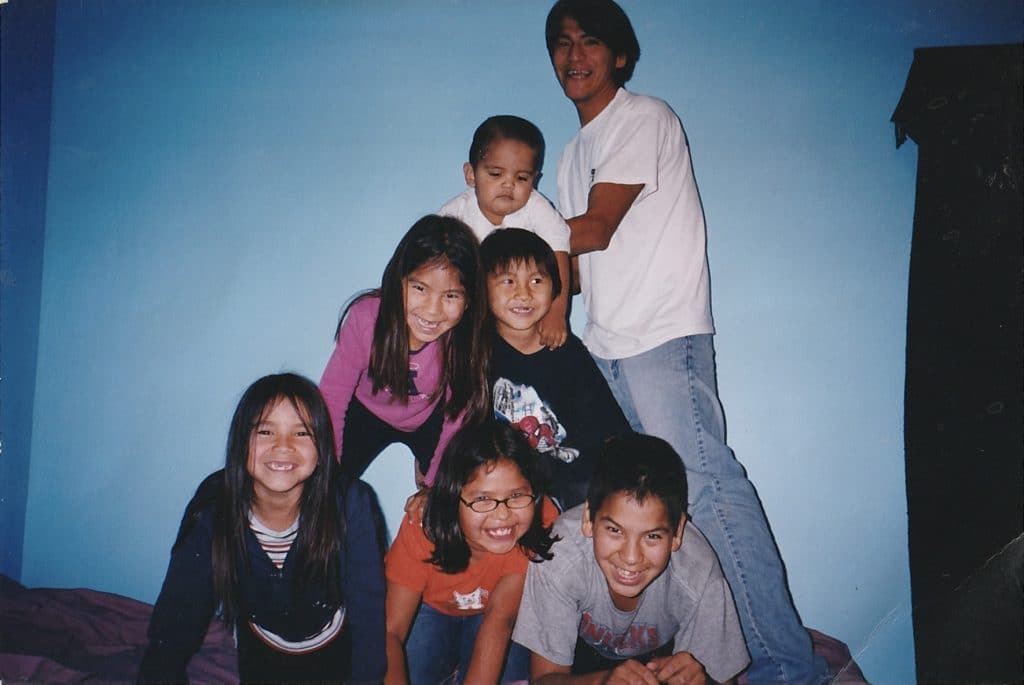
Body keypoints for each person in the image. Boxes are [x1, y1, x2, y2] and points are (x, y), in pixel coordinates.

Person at [543, 1, 828, 682]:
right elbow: (569, 264)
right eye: (561, 43)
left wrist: (507, 228)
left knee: (707, 491)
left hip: (662, 336)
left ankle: (789, 666)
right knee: (646, 503)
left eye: (590, 40)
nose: (574, 53)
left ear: (620, 55)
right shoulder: (572, 153)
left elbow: (598, 225)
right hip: (606, 345)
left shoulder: (644, 118)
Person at [138, 373, 386, 684]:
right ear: (240, 442)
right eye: (265, 431)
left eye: (302, 433)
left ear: (322, 447)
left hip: (337, 647)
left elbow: (369, 611)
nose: (283, 446)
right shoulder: (215, 505)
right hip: (262, 648)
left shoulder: (351, 502)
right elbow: (178, 612)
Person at [513, 433, 749, 685]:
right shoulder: (559, 554)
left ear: (678, 532)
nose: (631, 557)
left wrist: (705, 680)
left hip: (663, 657)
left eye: (652, 537)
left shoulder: (699, 574)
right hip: (580, 663)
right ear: (588, 519)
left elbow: (723, 680)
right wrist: (602, 682)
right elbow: (544, 680)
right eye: (615, 530)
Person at [319, 214, 490, 489]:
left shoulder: (462, 341)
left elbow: (456, 419)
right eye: (420, 288)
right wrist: (329, 473)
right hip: (366, 410)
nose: (433, 310)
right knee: (324, 484)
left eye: (451, 296)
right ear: (398, 280)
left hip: (428, 419)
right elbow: (333, 396)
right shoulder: (367, 319)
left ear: (469, 301)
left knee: (453, 488)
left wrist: (433, 487)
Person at [383, 421, 559, 685]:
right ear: (452, 496)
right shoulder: (422, 526)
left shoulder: (535, 523)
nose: (502, 515)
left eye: (516, 495)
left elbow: (500, 620)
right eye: (482, 500)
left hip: (496, 616)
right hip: (430, 609)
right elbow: (391, 632)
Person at [481, 227, 630, 509]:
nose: (524, 293)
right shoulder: (477, 355)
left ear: (555, 288)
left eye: (536, 280)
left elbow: (609, 429)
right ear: (482, 289)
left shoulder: (566, 351)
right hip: (510, 486)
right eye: (508, 281)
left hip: (577, 480)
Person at [439, 115, 572, 350]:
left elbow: (559, 252)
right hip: (473, 309)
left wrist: (556, 311)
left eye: (521, 178)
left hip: (520, 310)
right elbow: (431, 261)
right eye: (495, 174)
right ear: (471, 174)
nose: (509, 184)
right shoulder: (455, 214)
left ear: (535, 180)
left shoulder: (537, 208)